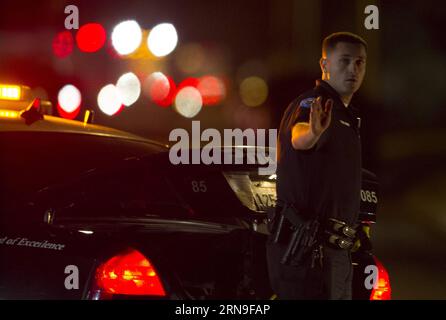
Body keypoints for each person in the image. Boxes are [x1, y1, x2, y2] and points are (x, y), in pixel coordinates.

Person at [267, 32, 367, 300]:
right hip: (310, 257)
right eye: (344, 61)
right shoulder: (314, 104)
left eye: (359, 62)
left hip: (334, 256)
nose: (353, 69)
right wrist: (313, 132)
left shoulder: (347, 115)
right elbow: (299, 138)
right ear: (324, 66)